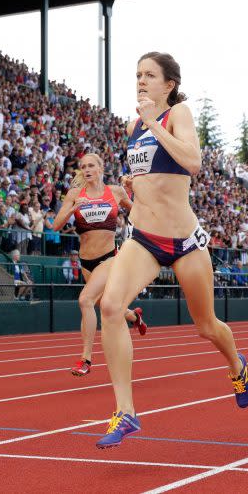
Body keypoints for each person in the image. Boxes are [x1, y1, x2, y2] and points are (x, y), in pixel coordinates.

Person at [95, 52, 248, 449]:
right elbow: (155, 173)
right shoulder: (133, 125)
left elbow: (193, 162)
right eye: (137, 75)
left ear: (169, 84)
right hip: (143, 237)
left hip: (185, 242)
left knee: (206, 326)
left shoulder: (176, 114)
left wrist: (152, 123)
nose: (141, 81)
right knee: (111, 308)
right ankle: (125, 411)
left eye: (149, 75)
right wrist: (132, 184)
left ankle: (237, 365)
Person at [51, 154, 148, 377]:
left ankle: (86, 359)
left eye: (91, 165)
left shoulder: (115, 192)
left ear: (101, 167)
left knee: (85, 300)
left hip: (109, 258)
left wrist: (136, 189)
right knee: (107, 305)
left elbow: (140, 212)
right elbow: (56, 225)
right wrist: (72, 206)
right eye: (83, 166)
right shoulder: (75, 194)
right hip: (86, 261)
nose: (87, 169)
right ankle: (135, 316)